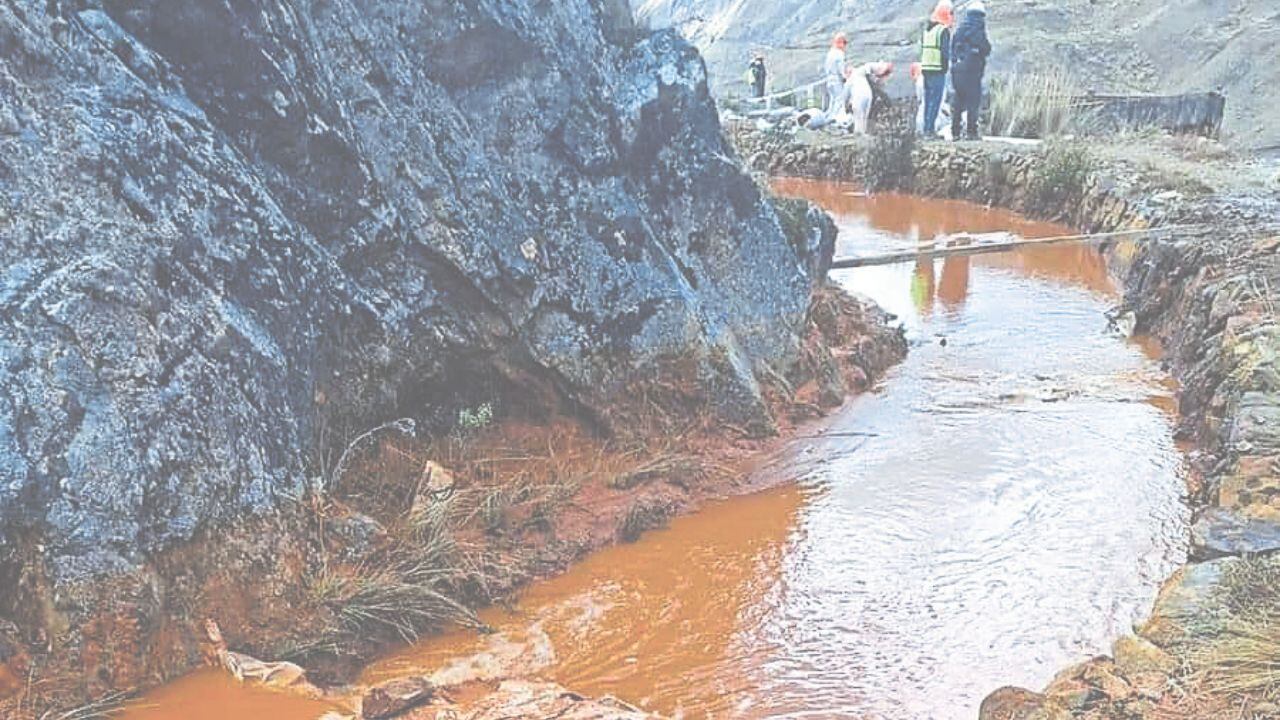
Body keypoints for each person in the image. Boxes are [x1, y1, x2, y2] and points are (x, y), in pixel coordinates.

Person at [950, 0, 991, 140]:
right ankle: (971, 132)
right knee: (973, 101)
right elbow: (986, 48)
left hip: (956, 71)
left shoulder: (959, 30)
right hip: (972, 72)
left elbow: (952, 49)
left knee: (958, 101)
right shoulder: (978, 30)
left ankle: (955, 132)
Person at [920, 0, 954, 137]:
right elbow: (946, 52)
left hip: (926, 69)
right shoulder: (942, 31)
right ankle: (929, 130)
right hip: (937, 69)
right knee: (935, 101)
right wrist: (947, 67)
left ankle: (926, 129)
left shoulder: (927, 30)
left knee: (928, 101)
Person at [824, 32, 850, 113]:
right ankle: (837, 119)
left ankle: (829, 117)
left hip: (829, 80)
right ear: (840, 42)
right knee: (840, 101)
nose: (845, 46)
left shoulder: (830, 53)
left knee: (832, 101)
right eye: (844, 43)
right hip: (837, 81)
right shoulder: (839, 54)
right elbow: (841, 69)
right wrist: (846, 77)